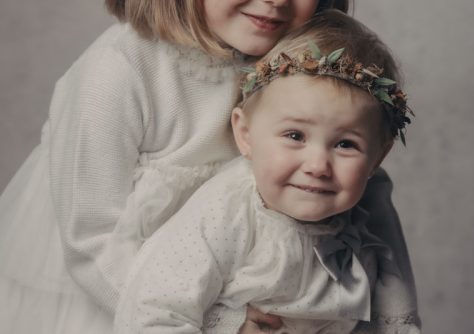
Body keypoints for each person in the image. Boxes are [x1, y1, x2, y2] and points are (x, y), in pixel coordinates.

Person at [0, 1, 358, 333]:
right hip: (113, 292)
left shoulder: (296, 69)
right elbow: (91, 239)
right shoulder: (120, 67)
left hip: (221, 285)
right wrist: (216, 319)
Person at [114, 10, 420, 334]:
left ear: (379, 155)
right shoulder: (228, 212)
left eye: (345, 144)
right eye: (295, 136)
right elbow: (154, 312)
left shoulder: (367, 208)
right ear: (245, 135)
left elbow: (394, 310)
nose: (317, 166)